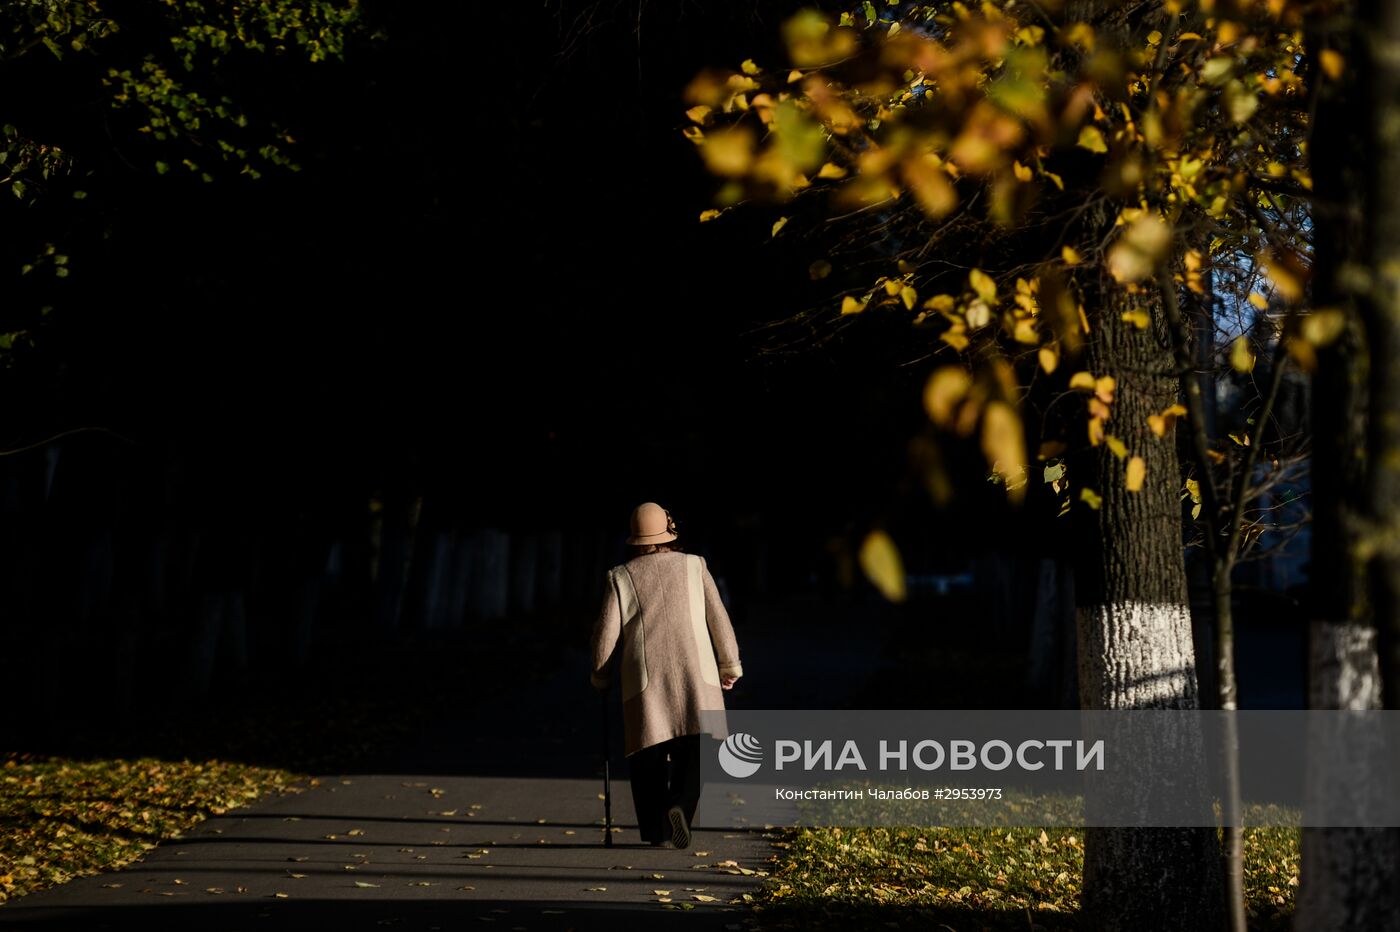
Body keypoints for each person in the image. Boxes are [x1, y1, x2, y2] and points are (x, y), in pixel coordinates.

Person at [589, 502, 743, 849]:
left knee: (647, 754)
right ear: (670, 534)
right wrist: (729, 665)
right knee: (700, 747)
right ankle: (681, 807)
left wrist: (601, 675)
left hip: (645, 678)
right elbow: (718, 618)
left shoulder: (621, 577)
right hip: (696, 672)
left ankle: (656, 831)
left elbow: (605, 635)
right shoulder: (694, 566)